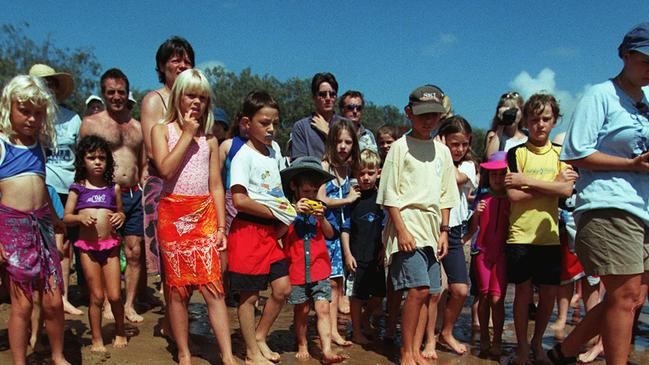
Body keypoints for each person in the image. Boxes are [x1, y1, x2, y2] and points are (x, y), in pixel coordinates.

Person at [550, 22, 649, 365]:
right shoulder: (600, 95)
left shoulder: (647, 102)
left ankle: (561, 353)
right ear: (624, 55)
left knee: (631, 298)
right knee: (624, 296)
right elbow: (575, 152)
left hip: (643, 207)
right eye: (645, 59)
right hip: (608, 204)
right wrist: (632, 164)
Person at [150, 69, 236, 365]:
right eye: (191, 95)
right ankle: (184, 353)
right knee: (177, 290)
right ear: (177, 96)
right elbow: (165, 169)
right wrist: (186, 133)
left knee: (214, 288)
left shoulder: (210, 139)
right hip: (172, 214)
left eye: (202, 97)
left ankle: (227, 356)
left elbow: (216, 184)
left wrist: (222, 226)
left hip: (205, 215)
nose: (196, 102)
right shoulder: (161, 130)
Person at [377, 85, 459, 365]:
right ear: (409, 114)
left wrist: (445, 231)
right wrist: (400, 229)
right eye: (423, 114)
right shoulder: (399, 148)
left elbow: (447, 195)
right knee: (417, 289)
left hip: (433, 229)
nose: (429, 120)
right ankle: (405, 351)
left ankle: (415, 349)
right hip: (408, 225)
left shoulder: (443, 152)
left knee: (430, 293)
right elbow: (388, 194)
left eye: (435, 115)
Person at [0, 74, 70, 365]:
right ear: (9, 108)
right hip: (12, 230)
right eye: (24, 111)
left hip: (41, 225)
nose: (31, 119)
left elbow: (41, 190)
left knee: (53, 300)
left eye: (37, 113)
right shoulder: (2, 144)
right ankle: (19, 361)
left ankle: (57, 354)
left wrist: (57, 221)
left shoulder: (40, 147)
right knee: (22, 304)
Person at [505, 93, 577, 365]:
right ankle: (522, 347)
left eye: (546, 119)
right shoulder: (516, 153)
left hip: (549, 235)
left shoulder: (561, 153)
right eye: (534, 119)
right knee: (522, 294)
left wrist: (526, 180)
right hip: (520, 234)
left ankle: (537, 343)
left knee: (549, 293)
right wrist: (551, 184)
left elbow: (567, 190)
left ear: (554, 120)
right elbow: (513, 196)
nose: (540, 125)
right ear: (526, 121)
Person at [227, 91, 296, 365]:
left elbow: (275, 189)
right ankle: (251, 353)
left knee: (282, 288)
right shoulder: (242, 156)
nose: (271, 129)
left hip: (272, 232)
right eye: (264, 122)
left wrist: (286, 209)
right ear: (247, 122)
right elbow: (240, 199)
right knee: (249, 295)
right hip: (248, 232)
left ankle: (259, 336)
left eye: (275, 123)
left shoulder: (276, 150)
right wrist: (276, 211)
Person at [80, 68, 147, 323]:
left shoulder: (138, 127)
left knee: (134, 251)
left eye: (121, 92)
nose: (116, 97)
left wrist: (143, 193)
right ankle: (109, 302)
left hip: (133, 194)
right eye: (111, 93)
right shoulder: (92, 123)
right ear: (103, 94)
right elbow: (82, 162)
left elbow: (142, 166)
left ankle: (128, 304)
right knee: (105, 251)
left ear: (127, 92)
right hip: (104, 195)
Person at [63, 135, 128, 352]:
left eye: (102, 157)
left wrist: (121, 216)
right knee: (96, 297)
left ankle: (120, 330)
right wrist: (79, 218)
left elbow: (120, 211)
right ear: (83, 161)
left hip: (110, 247)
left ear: (108, 161)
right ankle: (97, 339)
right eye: (91, 157)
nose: (97, 161)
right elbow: (66, 217)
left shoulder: (113, 188)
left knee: (116, 296)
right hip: (87, 249)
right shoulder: (78, 188)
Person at [280, 156, 347, 363]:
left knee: (323, 308)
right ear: (294, 187)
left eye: (313, 192)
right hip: (297, 271)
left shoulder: (322, 210)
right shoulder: (286, 209)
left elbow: (330, 234)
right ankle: (302, 343)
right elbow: (277, 234)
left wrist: (322, 218)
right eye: (306, 192)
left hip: (319, 269)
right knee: (302, 310)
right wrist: (292, 213)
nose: (310, 196)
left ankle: (326, 350)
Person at [29, 63, 84, 316]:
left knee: (64, 246)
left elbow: (82, 154)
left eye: (50, 82)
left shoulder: (72, 118)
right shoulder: (30, 116)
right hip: (38, 187)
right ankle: (36, 298)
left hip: (67, 186)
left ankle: (62, 296)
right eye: (42, 83)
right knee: (37, 245)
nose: (47, 87)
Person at [140, 36, 194, 278]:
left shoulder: (195, 102)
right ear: (162, 66)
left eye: (187, 61)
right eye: (176, 60)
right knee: (168, 264)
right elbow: (153, 151)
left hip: (193, 187)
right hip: (163, 187)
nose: (182, 66)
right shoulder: (154, 100)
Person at [433, 115, 478, 355]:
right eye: (454, 144)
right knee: (435, 290)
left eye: (464, 144)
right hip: (431, 228)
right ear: (445, 141)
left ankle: (446, 332)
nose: (460, 149)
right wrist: (439, 152)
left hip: (454, 231)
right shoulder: (433, 160)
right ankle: (430, 335)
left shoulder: (468, 166)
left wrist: (442, 152)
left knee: (460, 289)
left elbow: (455, 178)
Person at [317, 118, 361, 346]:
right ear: (331, 142)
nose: (343, 146)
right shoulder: (325, 166)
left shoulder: (347, 169)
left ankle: (334, 330)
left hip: (340, 235)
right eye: (339, 141)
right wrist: (348, 199)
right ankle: (327, 330)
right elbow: (320, 199)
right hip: (324, 233)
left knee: (336, 283)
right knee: (326, 285)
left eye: (348, 142)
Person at [464, 151, 510, 357]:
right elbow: (473, 229)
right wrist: (478, 214)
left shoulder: (513, 197)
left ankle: (497, 339)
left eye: (502, 174)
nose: (498, 179)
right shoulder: (482, 197)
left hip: (502, 254)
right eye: (494, 175)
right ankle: (484, 336)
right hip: (482, 252)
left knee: (497, 298)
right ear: (488, 176)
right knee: (483, 295)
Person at [341, 149, 386, 344]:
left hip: (376, 255)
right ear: (355, 174)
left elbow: (386, 227)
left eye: (370, 172)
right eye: (361, 173)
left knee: (378, 295)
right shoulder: (352, 199)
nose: (366, 177)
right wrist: (348, 254)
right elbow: (345, 230)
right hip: (357, 255)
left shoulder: (382, 198)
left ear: (379, 172)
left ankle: (365, 318)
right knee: (357, 296)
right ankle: (357, 331)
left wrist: (384, 249)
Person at [291, 72, 344, 159]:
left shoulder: (346, 125)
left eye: (332, 94)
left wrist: (327, 133)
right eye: (322, 94)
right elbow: (300, 164)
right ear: (314, 97)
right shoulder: (301, 127)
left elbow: (351, 161)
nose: (328, 98)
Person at [484, 91, 527, 158]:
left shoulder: (528, 137)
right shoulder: (493, 135)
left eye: (514, 110)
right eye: (507, 110)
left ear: (522, 113)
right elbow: (491, 158)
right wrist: (501, 123)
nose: (510, 114)